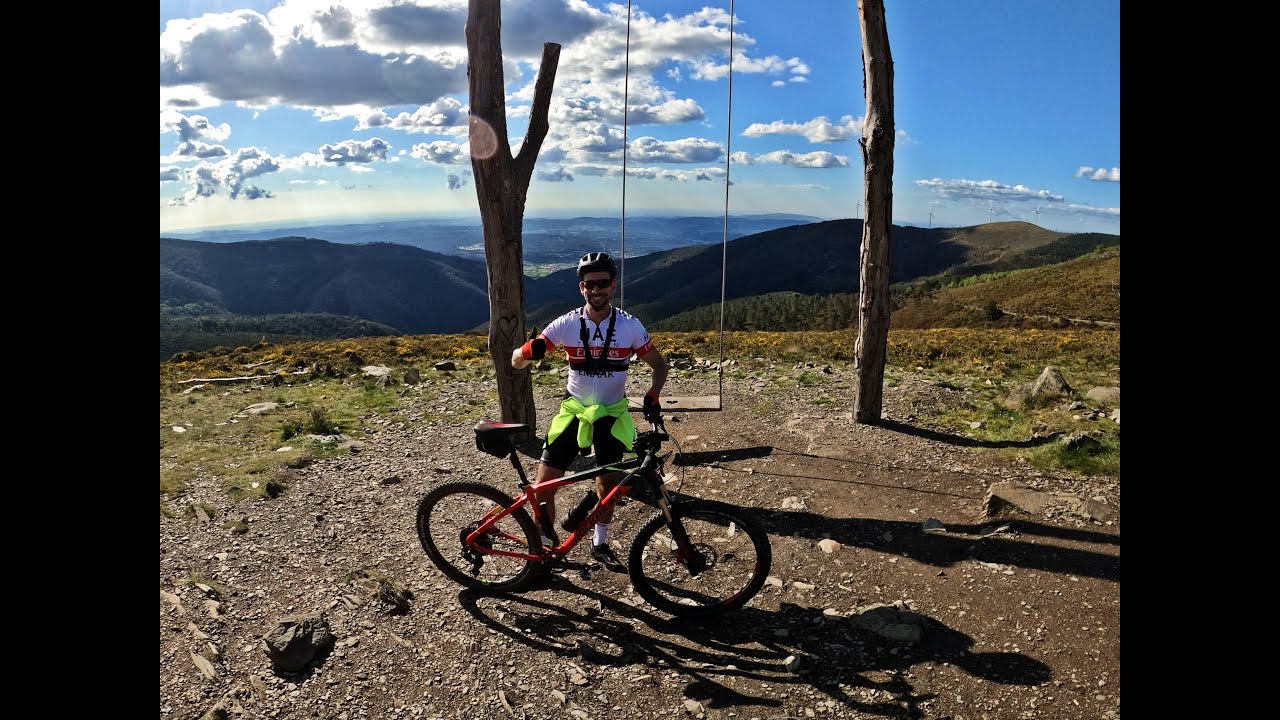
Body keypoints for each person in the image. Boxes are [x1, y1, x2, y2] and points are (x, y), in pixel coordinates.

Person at [511, 251, 667, 572]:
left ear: (614, 285)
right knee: (544, 486)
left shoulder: (630, 326)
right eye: (589, 284)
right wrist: (529, 352)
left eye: (603, 284)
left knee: (607, 485)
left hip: (611, 414)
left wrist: (653, 394)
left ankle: (600, 542)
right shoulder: (566, 324)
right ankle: (544, 548)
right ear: (582, 288)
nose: (596, 290)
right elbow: (516, 360)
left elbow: (659, 365)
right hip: (574, 413)